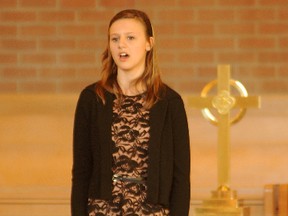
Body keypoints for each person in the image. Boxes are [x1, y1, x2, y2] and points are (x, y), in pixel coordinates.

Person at [71, 9, 190, 216]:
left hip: (152, 211)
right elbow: (81, 172)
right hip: (101, 210)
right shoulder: (92, 99)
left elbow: (180, 178)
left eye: (130, 38)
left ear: (149, 44)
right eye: (115, 39)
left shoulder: (170, 103)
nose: (121, 45)